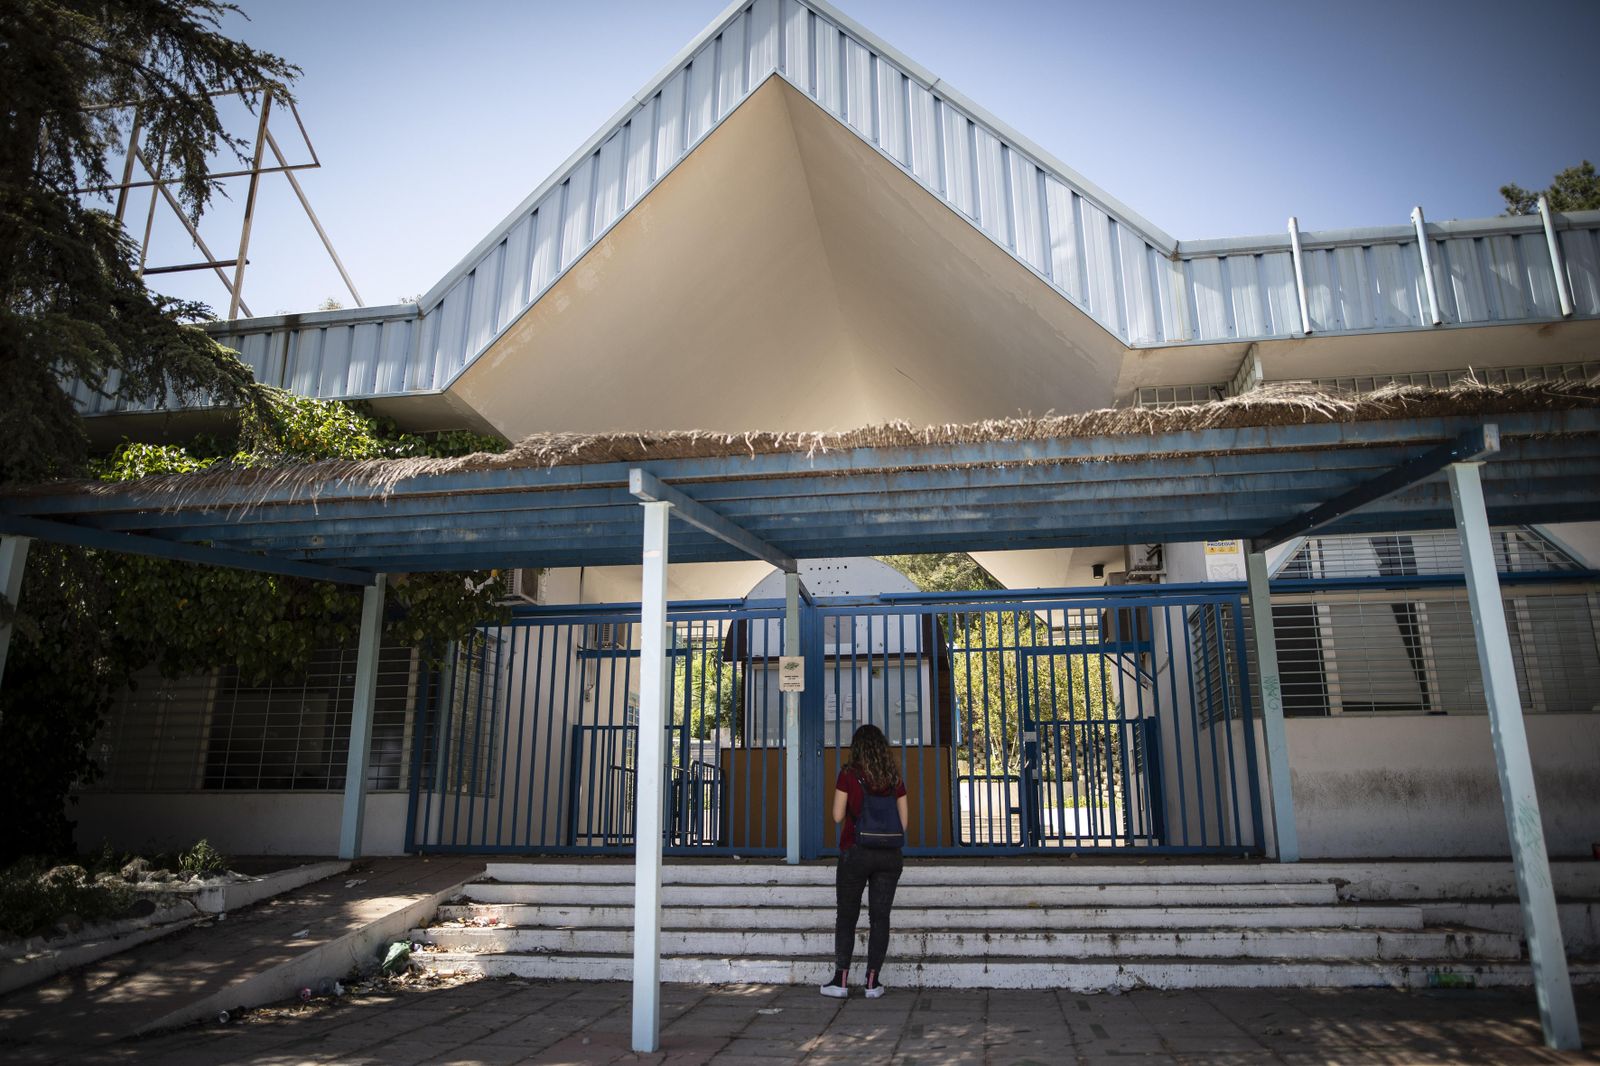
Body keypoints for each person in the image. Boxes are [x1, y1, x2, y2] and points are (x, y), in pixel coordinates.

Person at [820, 723, 909, 1000]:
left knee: (847, 916)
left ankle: (841, 979)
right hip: (889, 856)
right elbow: (903, 823)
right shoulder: (894, 778)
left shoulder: (848, 775)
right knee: (879, 917)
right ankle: (873, 982)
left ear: (856, 748)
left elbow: (836, 816)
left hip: (855, 852)